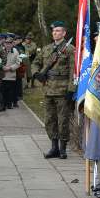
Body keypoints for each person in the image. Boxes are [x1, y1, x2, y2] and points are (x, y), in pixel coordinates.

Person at [32, 20, 75, 159]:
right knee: (49, 120)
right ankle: (54, 147)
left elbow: (73, 71)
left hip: (62, 90)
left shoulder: (70, 49)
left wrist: (71, 89)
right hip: (48, 89)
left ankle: (63, 149)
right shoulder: (46, 49)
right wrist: (36, 73)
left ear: (64, 33)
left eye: (58, 31)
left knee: (63, 120)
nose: (55, 33)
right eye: (53, 31)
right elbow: (35, 63)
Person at [0, 35, 21, 111]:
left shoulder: (15, 52)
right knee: (2, 90)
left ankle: (9, 103)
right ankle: (2, 104)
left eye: (9, 43)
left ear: (12, 44)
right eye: (6, 43)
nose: (8, 45)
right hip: (2, 74)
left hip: (11, 74)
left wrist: (10, 68)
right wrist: (2, 67)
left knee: (10, 90)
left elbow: (18, 63)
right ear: (4, 44)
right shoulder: (1, 50)